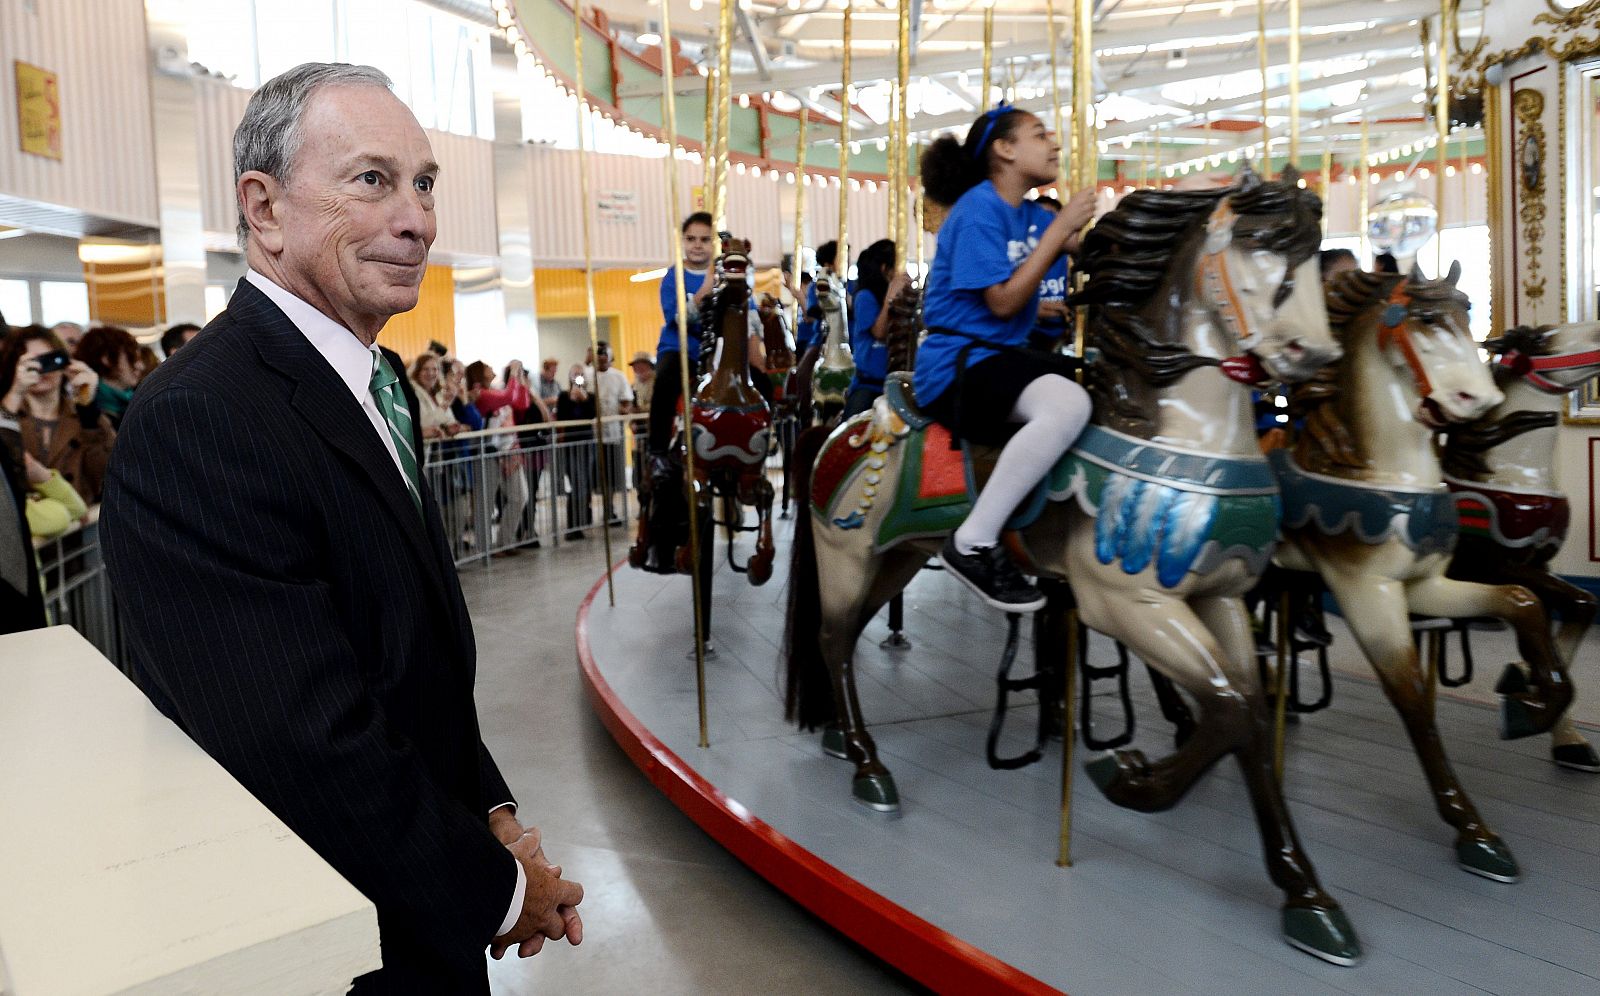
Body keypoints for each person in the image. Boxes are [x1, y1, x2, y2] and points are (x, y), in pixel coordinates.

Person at [99, 63, 582, 993]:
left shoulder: (377, 381)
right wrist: (498, 886)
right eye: (373, 180)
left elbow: (410, 659)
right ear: (266, 208)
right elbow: (300, 738)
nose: (417, 219)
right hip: (344, 947)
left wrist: (490, 809)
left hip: (421, 911)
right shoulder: (199, 418)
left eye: (425, 182)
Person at [915, 104, 1097, 612]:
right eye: (1040, 135)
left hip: (998, 356)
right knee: (1067, 406)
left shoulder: (1029, 214)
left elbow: (1092, 251)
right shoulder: (979, 210)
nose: (1054, 144)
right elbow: (1001, 301)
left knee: (1098, 388)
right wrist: (1060, 232)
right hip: (958, 365)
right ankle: (973, 541)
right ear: (1005, 149)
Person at [0, 325, 116, 503]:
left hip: (80, 523)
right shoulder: (8, 412)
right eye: (30, 364)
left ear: (64, 362)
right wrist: (15, 394)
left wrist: (88, 410)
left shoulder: (86, 416)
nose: (40, 370)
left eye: (48, 360)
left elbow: (106, 478)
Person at [647, 211, 717, 460]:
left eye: (705, 239)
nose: (697, 244)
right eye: (691, 239)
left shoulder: (724, 275)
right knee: (665, 384)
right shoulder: (673, 277)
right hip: (680, 348)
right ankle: (658, 452)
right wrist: (703, 292)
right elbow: (677, 319)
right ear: (683, 242)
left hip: (717, 347)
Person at [842, 238, 907, 418]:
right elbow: (879, 332)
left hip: (895, 383)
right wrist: (890, 297)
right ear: (885, 269)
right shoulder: (865, 297)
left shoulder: (897, 299)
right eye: (897, 268)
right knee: (852, 434)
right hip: (870, 384)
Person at [591, 341, 631, 525]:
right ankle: (595, 509)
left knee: (613, 474)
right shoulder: (587, 375)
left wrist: (624, 410)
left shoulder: (619, 376)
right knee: (598, 474)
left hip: (614, 433)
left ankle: (610, 508)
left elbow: (626, 400)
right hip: (593, 435)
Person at [73, 325, 141, 428]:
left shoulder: (137, 400)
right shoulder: (87, 410)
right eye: (132, 358)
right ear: (107, 359)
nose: (140, 366)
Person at [1027, 196, 1072, 353]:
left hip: (1058, 333)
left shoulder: (1065, 256)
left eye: (1051, 220)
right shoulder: (1023, 255)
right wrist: (1034, 310)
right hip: (1030, 334)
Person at [556, 365, 596, 539]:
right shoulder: (563, 396)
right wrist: (572, 400)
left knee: (584, 483)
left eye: (580, 375)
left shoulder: (591, 396)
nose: (578, 378)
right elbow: (562, 417)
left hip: (587, 444)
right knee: (576, 482)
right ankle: (573, 526)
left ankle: (580, 522)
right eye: (574, 375)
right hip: (571, 445)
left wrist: (584, 399)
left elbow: (593, 415)